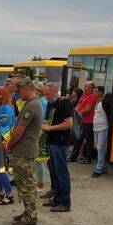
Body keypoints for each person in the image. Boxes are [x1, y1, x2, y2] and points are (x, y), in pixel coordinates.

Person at [6, 80, 44, 225]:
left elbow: (19, 131)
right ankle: (28, 212)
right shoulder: (34, 104)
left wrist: (9, 144)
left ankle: (30, 217)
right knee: (24, 183)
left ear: (27, 89)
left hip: (24, 151)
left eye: (19, 90)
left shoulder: (31, 106)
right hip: (26, 150)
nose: (17, 94)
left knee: (27, 184)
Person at [41, 83, 74, 212]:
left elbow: (69, 123)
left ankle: (65, 203)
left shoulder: (63, 102)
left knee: (61, 173)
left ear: (55, 92)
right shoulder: (52, 104)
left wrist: (50, 128)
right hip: (52, 141)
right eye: (44, 94)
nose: (46, 97)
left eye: (48, 94)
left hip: (60, 143)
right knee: (54, 172)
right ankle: (57, 199)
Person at [70, 81, 96, 164]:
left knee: (88, 141)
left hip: (88, 122)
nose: (84, 87)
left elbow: (88, 109)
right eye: (84, 86)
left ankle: (88, 159)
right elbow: (78, 106)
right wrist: (73, 114)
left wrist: (78, 115)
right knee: (78, 140)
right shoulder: (83, 96)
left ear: (91, 88)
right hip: (81, 122)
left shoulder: (92, 96)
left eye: (86, 86)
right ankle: (73, 157)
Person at [91, 86, 112, 177]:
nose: (94, 93)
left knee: (100, 148)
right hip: (96, 128)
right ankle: (102, 166)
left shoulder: (105, 102)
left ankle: (99, 169)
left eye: (95, 91)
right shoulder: (96, 102)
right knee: (99, 148)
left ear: (100, 92)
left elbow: (109, 115)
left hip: (103, 128)